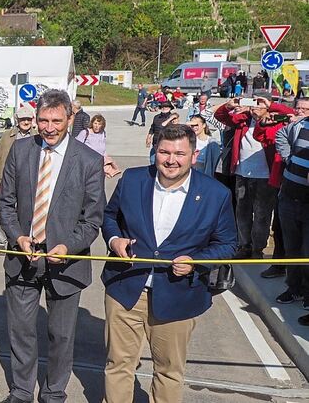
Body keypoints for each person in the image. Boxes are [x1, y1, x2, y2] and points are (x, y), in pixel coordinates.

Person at [101, 124, 237, 402]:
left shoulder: (216, 194)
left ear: (193, 156)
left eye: (179, 153)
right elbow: (110, 217)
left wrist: (197, 261)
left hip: (178, 295)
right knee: (118, 365)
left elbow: (227, 244)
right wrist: (115, 240)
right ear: (155, 151)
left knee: (168, 371)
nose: (171, 160)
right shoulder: (132, 179)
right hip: (126, 288)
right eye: (164, 152)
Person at [0, 89, 106, 403]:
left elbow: (92, 218)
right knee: (21, 332)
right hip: (23, 257)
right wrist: (17, 235)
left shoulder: (89, 161)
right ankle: (21, 391)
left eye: (57, 120)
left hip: (65, 262)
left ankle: (54, 392)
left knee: (61, 335)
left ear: (70, 118)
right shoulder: (20, 150)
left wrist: (68, 246)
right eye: (43, 120)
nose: (49, 127)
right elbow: (5, 203)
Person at [214, 96, 294, 259]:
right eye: (252, 104)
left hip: (266, 176)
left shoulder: (277, 121)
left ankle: (258, 248)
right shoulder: (242, 120)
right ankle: (244, 246)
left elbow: (292, 113)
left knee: (262, 214)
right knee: (242, 211)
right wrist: (228, 105)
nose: (255, 108)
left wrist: (271, 105)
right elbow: (220, 116)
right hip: (242, 173)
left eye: (259, 105)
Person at [274, 97, 309, 315]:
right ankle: (293, 288)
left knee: (307, 250)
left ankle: (307, 292)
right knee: (291, 248)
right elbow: (280, 134)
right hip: (288, 197)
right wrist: (288, 157)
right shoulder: (297, 125)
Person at [0, 105, 36, 194]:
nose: (26, 122)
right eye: (23, 119)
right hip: (8, 179)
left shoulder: (37, 136)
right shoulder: (7, 135)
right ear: (17, 120)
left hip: (29, 181)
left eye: (29, 119)